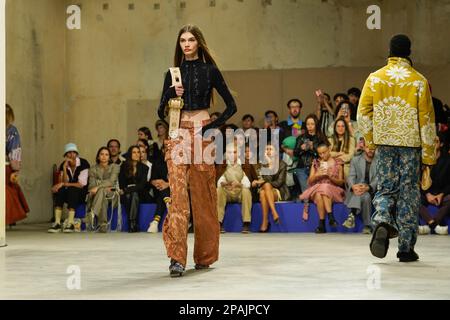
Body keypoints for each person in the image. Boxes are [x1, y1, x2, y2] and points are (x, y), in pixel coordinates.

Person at [157, 24, 237, 277]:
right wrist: (171, 94)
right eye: (183, 40)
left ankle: (204, 256)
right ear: (179, 44)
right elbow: (161, 112)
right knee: (178, 195)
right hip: (177, 132)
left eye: (191, 39)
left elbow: (231, 106)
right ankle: (176, 258)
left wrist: (211, 126)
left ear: (199, 43)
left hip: (202, 133)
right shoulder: (172, 74)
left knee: (203, 197)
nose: (187, 44)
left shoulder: (210, 70)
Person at [358, 34, 437, 262]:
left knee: (385, 188)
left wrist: (371, 140)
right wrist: (428, 157)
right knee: (409, 194)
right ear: (409, 51)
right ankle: (405, 248)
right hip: (411, 146)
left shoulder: (375, 78)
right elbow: (427, 120)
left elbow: (363, 113)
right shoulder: (419, 81)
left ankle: (382, 220)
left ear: (389, 51)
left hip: (384, 143)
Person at [299, 142, 345, 233]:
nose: (322, 155)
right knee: (320, 192)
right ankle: (330, 217)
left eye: (324, 152)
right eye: (320, 153)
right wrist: (317, 174)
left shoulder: (338, 162)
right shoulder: (316, 163)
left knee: (323, 189)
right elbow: (309, 182)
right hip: (318, 189)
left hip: (334, 190)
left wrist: (330, 177)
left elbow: (341, 182)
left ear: (329, 150)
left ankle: (322, 224)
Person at [49, 143, 90, 233]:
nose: (72, 155)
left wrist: (64, 184)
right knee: (60, 190)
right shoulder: (64, 164)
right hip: (69, 192)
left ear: (77, 154)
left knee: (72, 190)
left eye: (74, 152)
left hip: (81, 193)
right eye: (69, 153)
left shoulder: (83, 163)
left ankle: (71, 223)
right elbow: (64, 182)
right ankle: (57, 223)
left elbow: (81, 184)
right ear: (65, 155)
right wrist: (64, 168)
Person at [293, 114, 327, 220]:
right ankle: (306, 207)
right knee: (306, 189)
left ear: (316, 124)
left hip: (316, 167)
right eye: (308, 124)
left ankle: (310, 204)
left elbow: (324, 153)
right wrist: (302, 148)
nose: (310, 126)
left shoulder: (321, 138)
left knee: (315, 190)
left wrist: (313, 148)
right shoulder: (301, 137)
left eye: (312, 124)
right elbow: (295, 153)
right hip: (302, 167)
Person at [215, 143, 253, 234]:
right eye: (229, 152)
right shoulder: (222, 165)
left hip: (239, 192)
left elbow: (248, 183)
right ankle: (219, 223)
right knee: (218, 190)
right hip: (227, 191)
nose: (232, 154)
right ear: (226, 154)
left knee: (246, 191)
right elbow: (218, 182)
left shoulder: (244, 164)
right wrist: (225, 183)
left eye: (234, 152)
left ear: (238, 153)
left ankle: (246, 223)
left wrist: (239, 184)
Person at [418, 133, 450, 235]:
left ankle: (430, 225)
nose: (433, 144)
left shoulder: (448, 160)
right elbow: (419, 179)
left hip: (442, 194)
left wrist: (441, 194)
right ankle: (435, 225)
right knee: (413, 198)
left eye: (436, 141)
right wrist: (427, 194)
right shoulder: (423, 159)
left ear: (441, 144)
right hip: (426, 193)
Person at [342, 144, 378, 234]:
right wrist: (353, 186)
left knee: (366, 194)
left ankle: (352, 215)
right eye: (368, 147)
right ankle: (367, 226)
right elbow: (351, 176)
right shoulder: (356, 159)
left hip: (373, 189)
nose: (370, 150)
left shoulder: (380, 160)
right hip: (358, 188)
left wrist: (369, 187)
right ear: (364, 148)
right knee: (365, 196)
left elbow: (379, 178)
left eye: (373, 148)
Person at [253, 144, 289, 232]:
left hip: (279, 190)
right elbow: (267, 179)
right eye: (267, 149)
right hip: (266, 190)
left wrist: (262, 182)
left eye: (271, 149)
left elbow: (279, 182)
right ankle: (273, 214)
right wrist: (269, 164)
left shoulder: (282, 164)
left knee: (266, 186)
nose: (268, 151)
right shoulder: (263, 164)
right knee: (263, 192)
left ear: (276, 152)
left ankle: (266, 221)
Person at [86, 147, 120, 233]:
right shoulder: (93, 169)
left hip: (112, 195)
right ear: (98, 157)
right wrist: (104, 186)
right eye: (101, 154)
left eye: (106, 154)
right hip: (98, 195)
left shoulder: (115, 167)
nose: (104, 156)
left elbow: (111, 182)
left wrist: (98, 186)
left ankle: (93, 212)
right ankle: (103, 225)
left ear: (109, 157)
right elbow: (91, 186)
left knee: (101, 191)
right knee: (102, 194)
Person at [5, 104, 29, 227]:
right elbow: (15, 151)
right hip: (5, 167)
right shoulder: (11, 131)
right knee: (8, 192)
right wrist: (15, 169)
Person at [119, 146, 149, 233]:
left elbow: (142, 185)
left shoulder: (144, 167)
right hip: (126, 193)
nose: (137, 154)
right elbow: (122, 183)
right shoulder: (124, 166)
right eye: (134, 152)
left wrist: (127, 190)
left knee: (134, 194)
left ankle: (131, 222)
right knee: (131, 195)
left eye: (138, 152)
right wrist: (126, 190)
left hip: (140, 193)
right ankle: (133, 223)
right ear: (130, 154)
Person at [147, 144, 171, 234]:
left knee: (163, 192)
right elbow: (152, 180)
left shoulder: (179, 163)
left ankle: (155, 222)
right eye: (166, 149)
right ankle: (168, 202)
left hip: (175, 190)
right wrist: (158, 183)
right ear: (163, 150)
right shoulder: (157, 162)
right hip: (159, 189)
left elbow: (182, 181)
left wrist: (168, 184)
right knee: (162, 191)